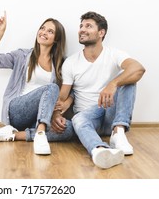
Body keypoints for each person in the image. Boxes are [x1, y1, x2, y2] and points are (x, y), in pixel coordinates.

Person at [52, 11, 145, 169]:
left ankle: (119, 133)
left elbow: (138, 68)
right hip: (87, 118)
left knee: (129, 77)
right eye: (81, 26)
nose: (82, 29)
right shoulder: (71, 62)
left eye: (88, 26)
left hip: (110, 113)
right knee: (78, 119)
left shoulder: (114, 54)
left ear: (101, 33)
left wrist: (113, 84)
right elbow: (62, 97)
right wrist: (55, 113)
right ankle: (99, 150)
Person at [0, 11, 75, 155]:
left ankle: (14, 134)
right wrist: (0, 33)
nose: (44, 32)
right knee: (51, 88)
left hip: (39, 116)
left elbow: (73, 88)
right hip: (17, 110)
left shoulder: (62, 63)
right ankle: (40, 134)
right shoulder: (22, 56)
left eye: (50, 31)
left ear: (56, 39)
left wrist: (68, 102)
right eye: (42, 28)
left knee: (69, 128)